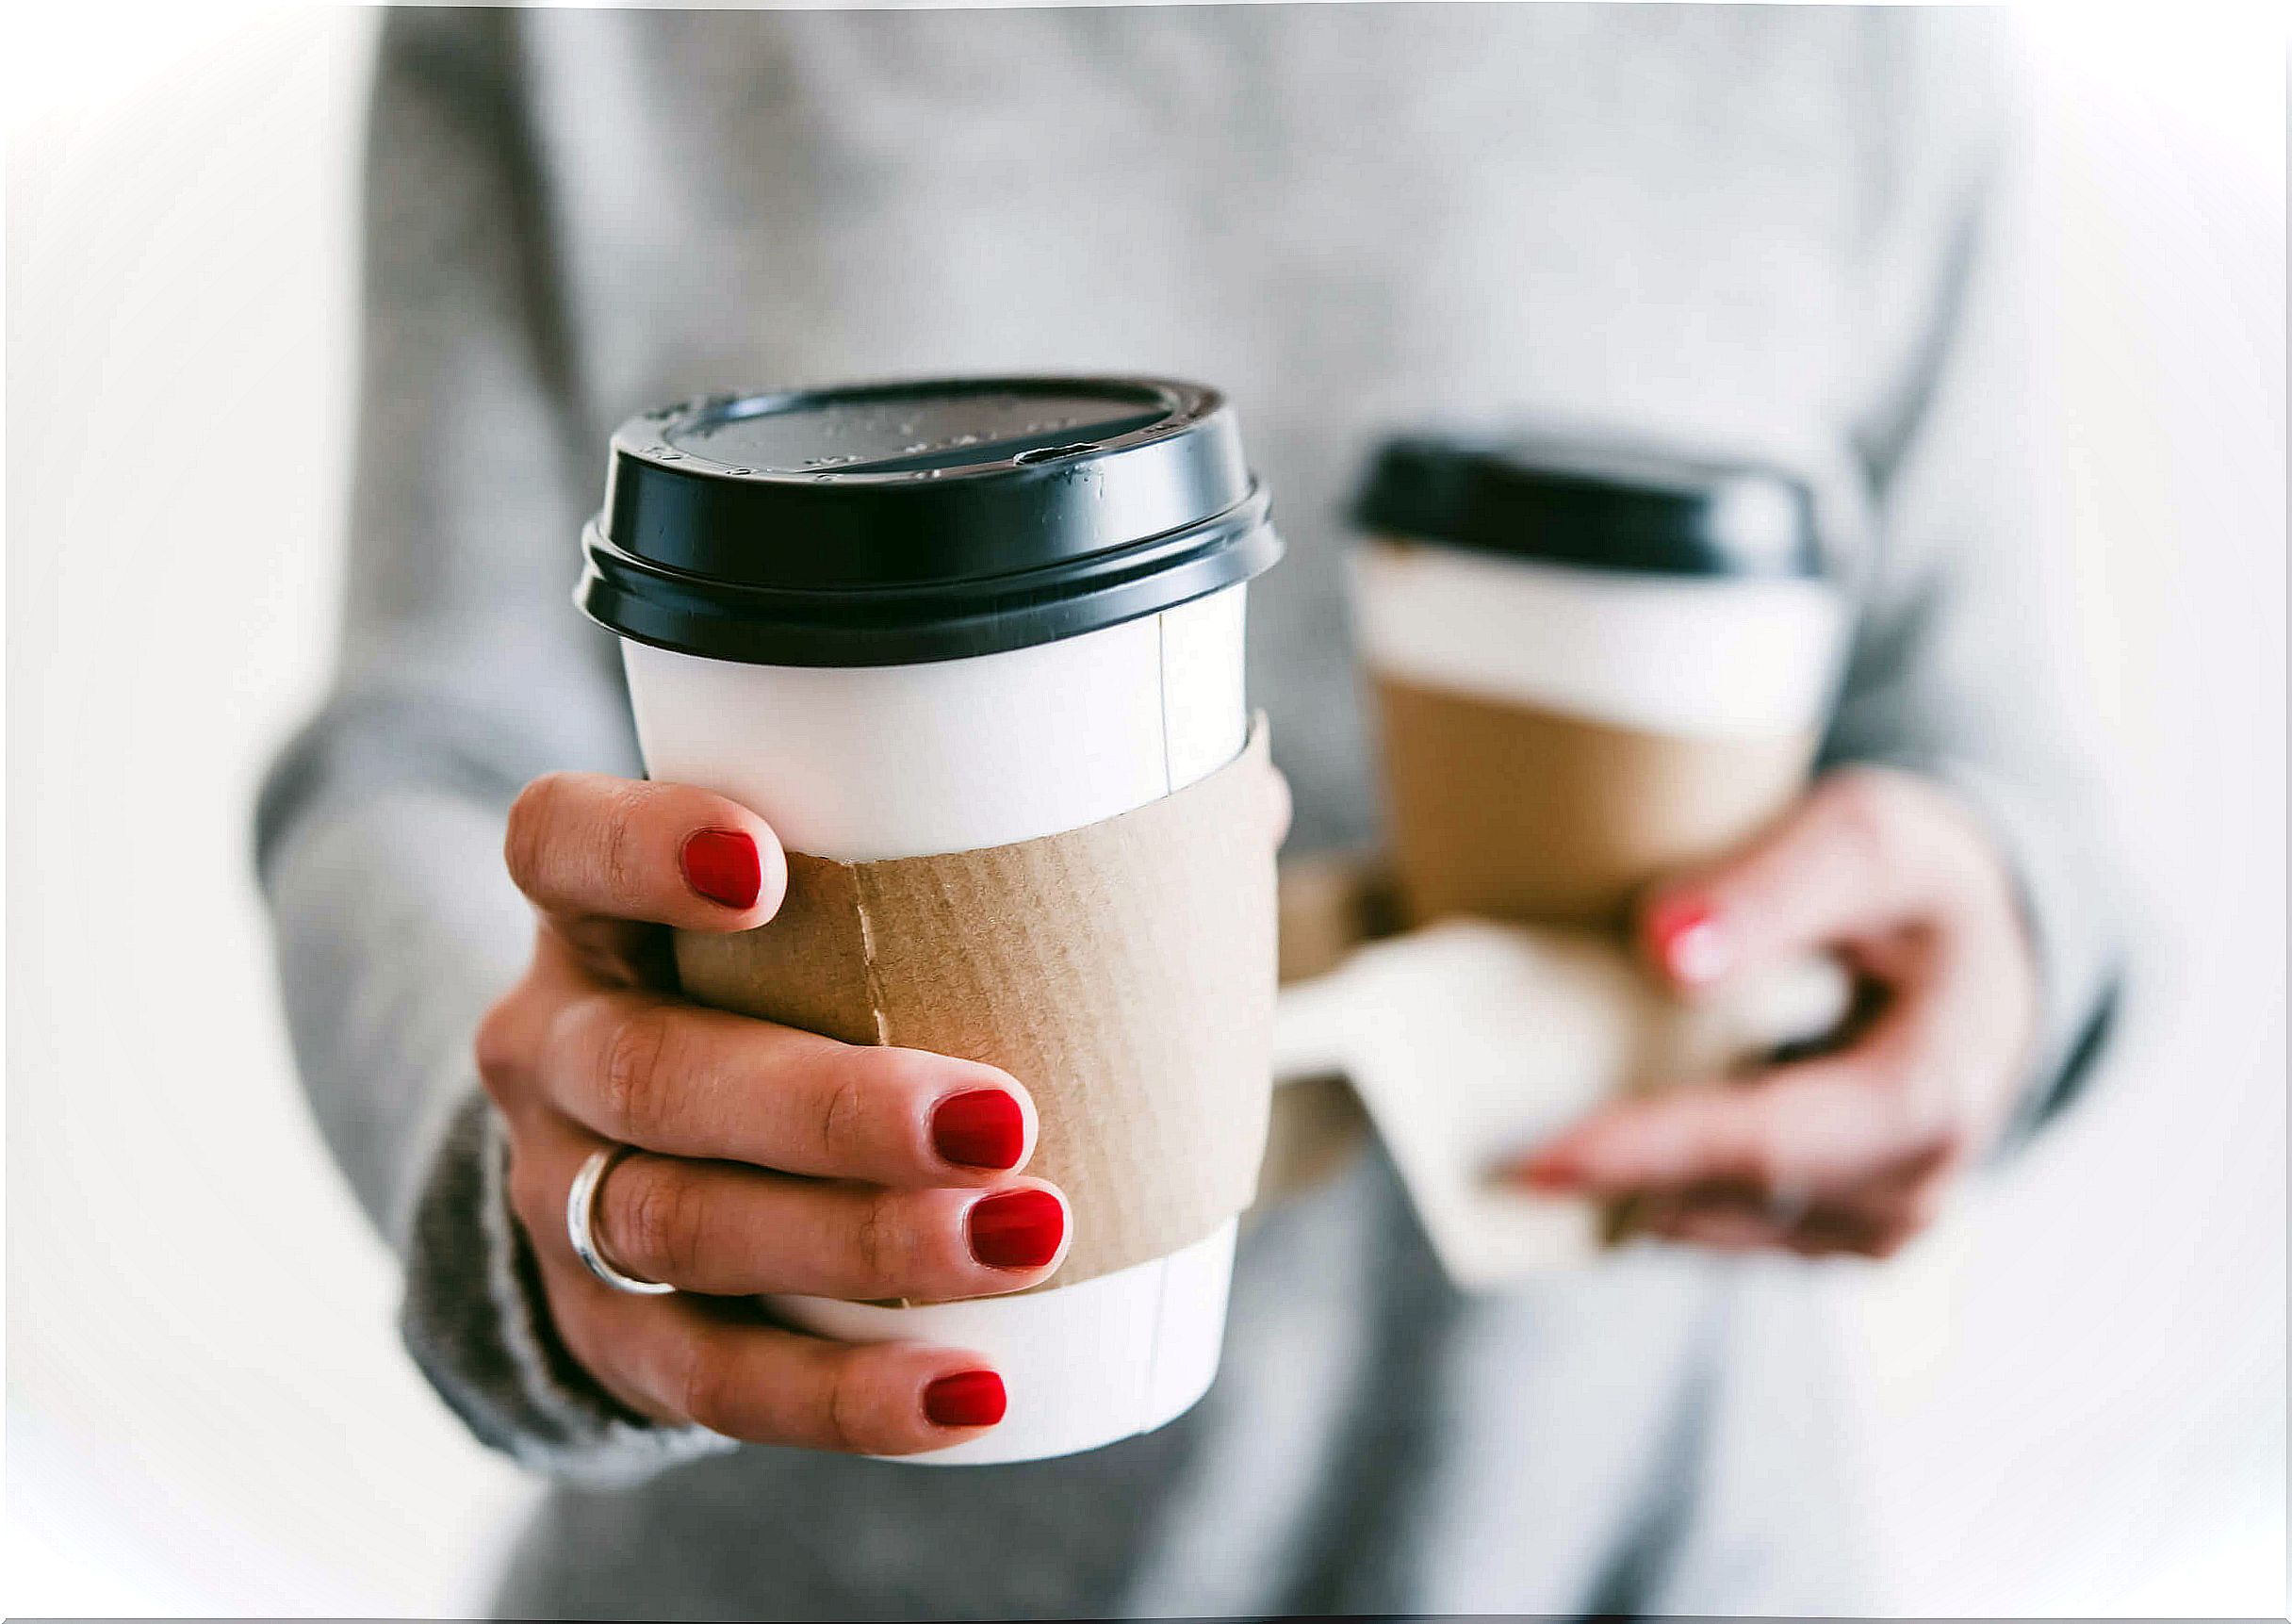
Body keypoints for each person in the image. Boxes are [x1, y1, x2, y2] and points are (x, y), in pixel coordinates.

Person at [256, 7, 2119, 1616]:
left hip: (1643, 1548)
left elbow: (1982, 751)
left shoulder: (1851, 30)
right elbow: (414, 763)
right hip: (789, 1549)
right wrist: (548, 1190)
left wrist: (1992, 937)